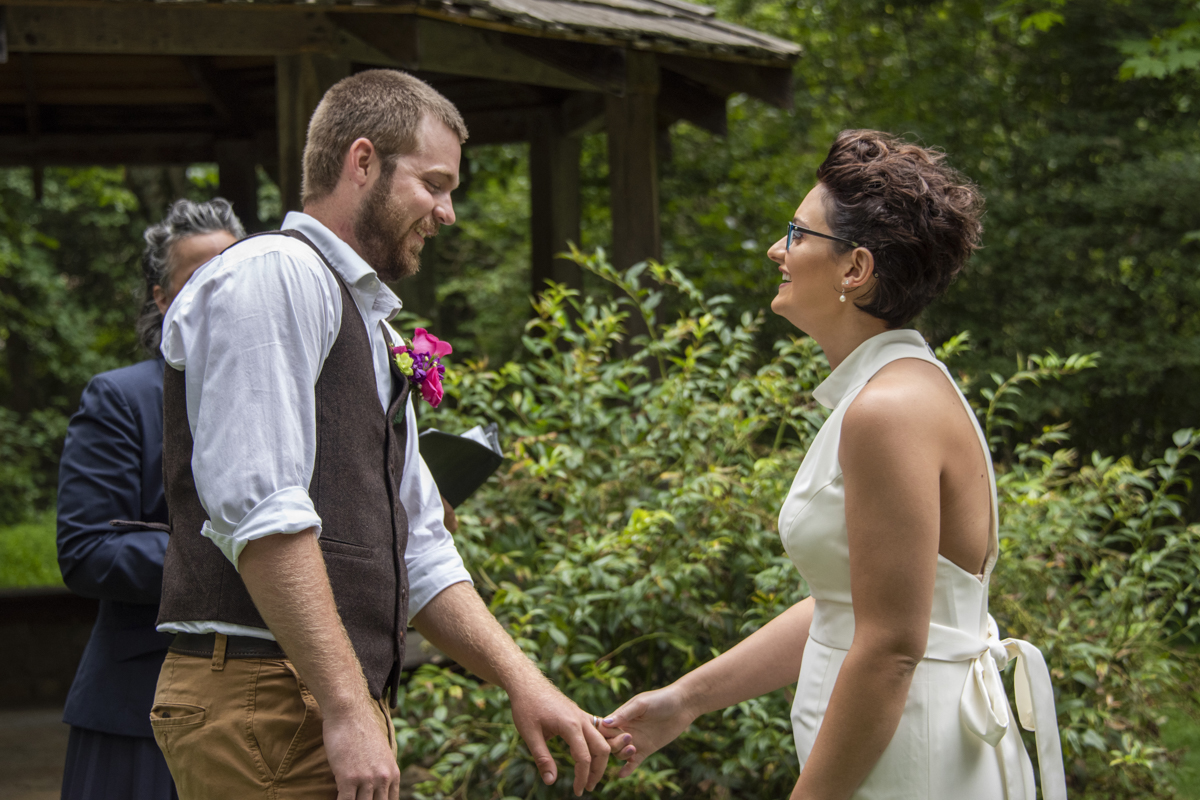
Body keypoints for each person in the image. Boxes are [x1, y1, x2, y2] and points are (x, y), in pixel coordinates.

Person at [149, 69, 610, 800]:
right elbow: (262, 512)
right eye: (433, 183)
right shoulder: (274, 274)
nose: (447, 211)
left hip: (322, 697)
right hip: (266, 697)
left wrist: (525, 682)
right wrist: (343, 705)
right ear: (361, 161)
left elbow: (421, 545)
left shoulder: (371, 325)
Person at [600, 130, 1068, 800]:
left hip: (911, 761)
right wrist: (686, 700)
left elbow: (888, 651)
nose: (776, 250)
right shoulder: (884, 393)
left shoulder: (889, 410)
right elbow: (845, 608)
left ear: (855, 270)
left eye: (797, 234)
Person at [57, 198, 245, 800]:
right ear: (163, 299)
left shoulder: (284, 396)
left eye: (232, 275)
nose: (218, 292)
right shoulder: (121, 400)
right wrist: (242, 558)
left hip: (263, 706)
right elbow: (87, 548)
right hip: (139, 708)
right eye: (197, 279)